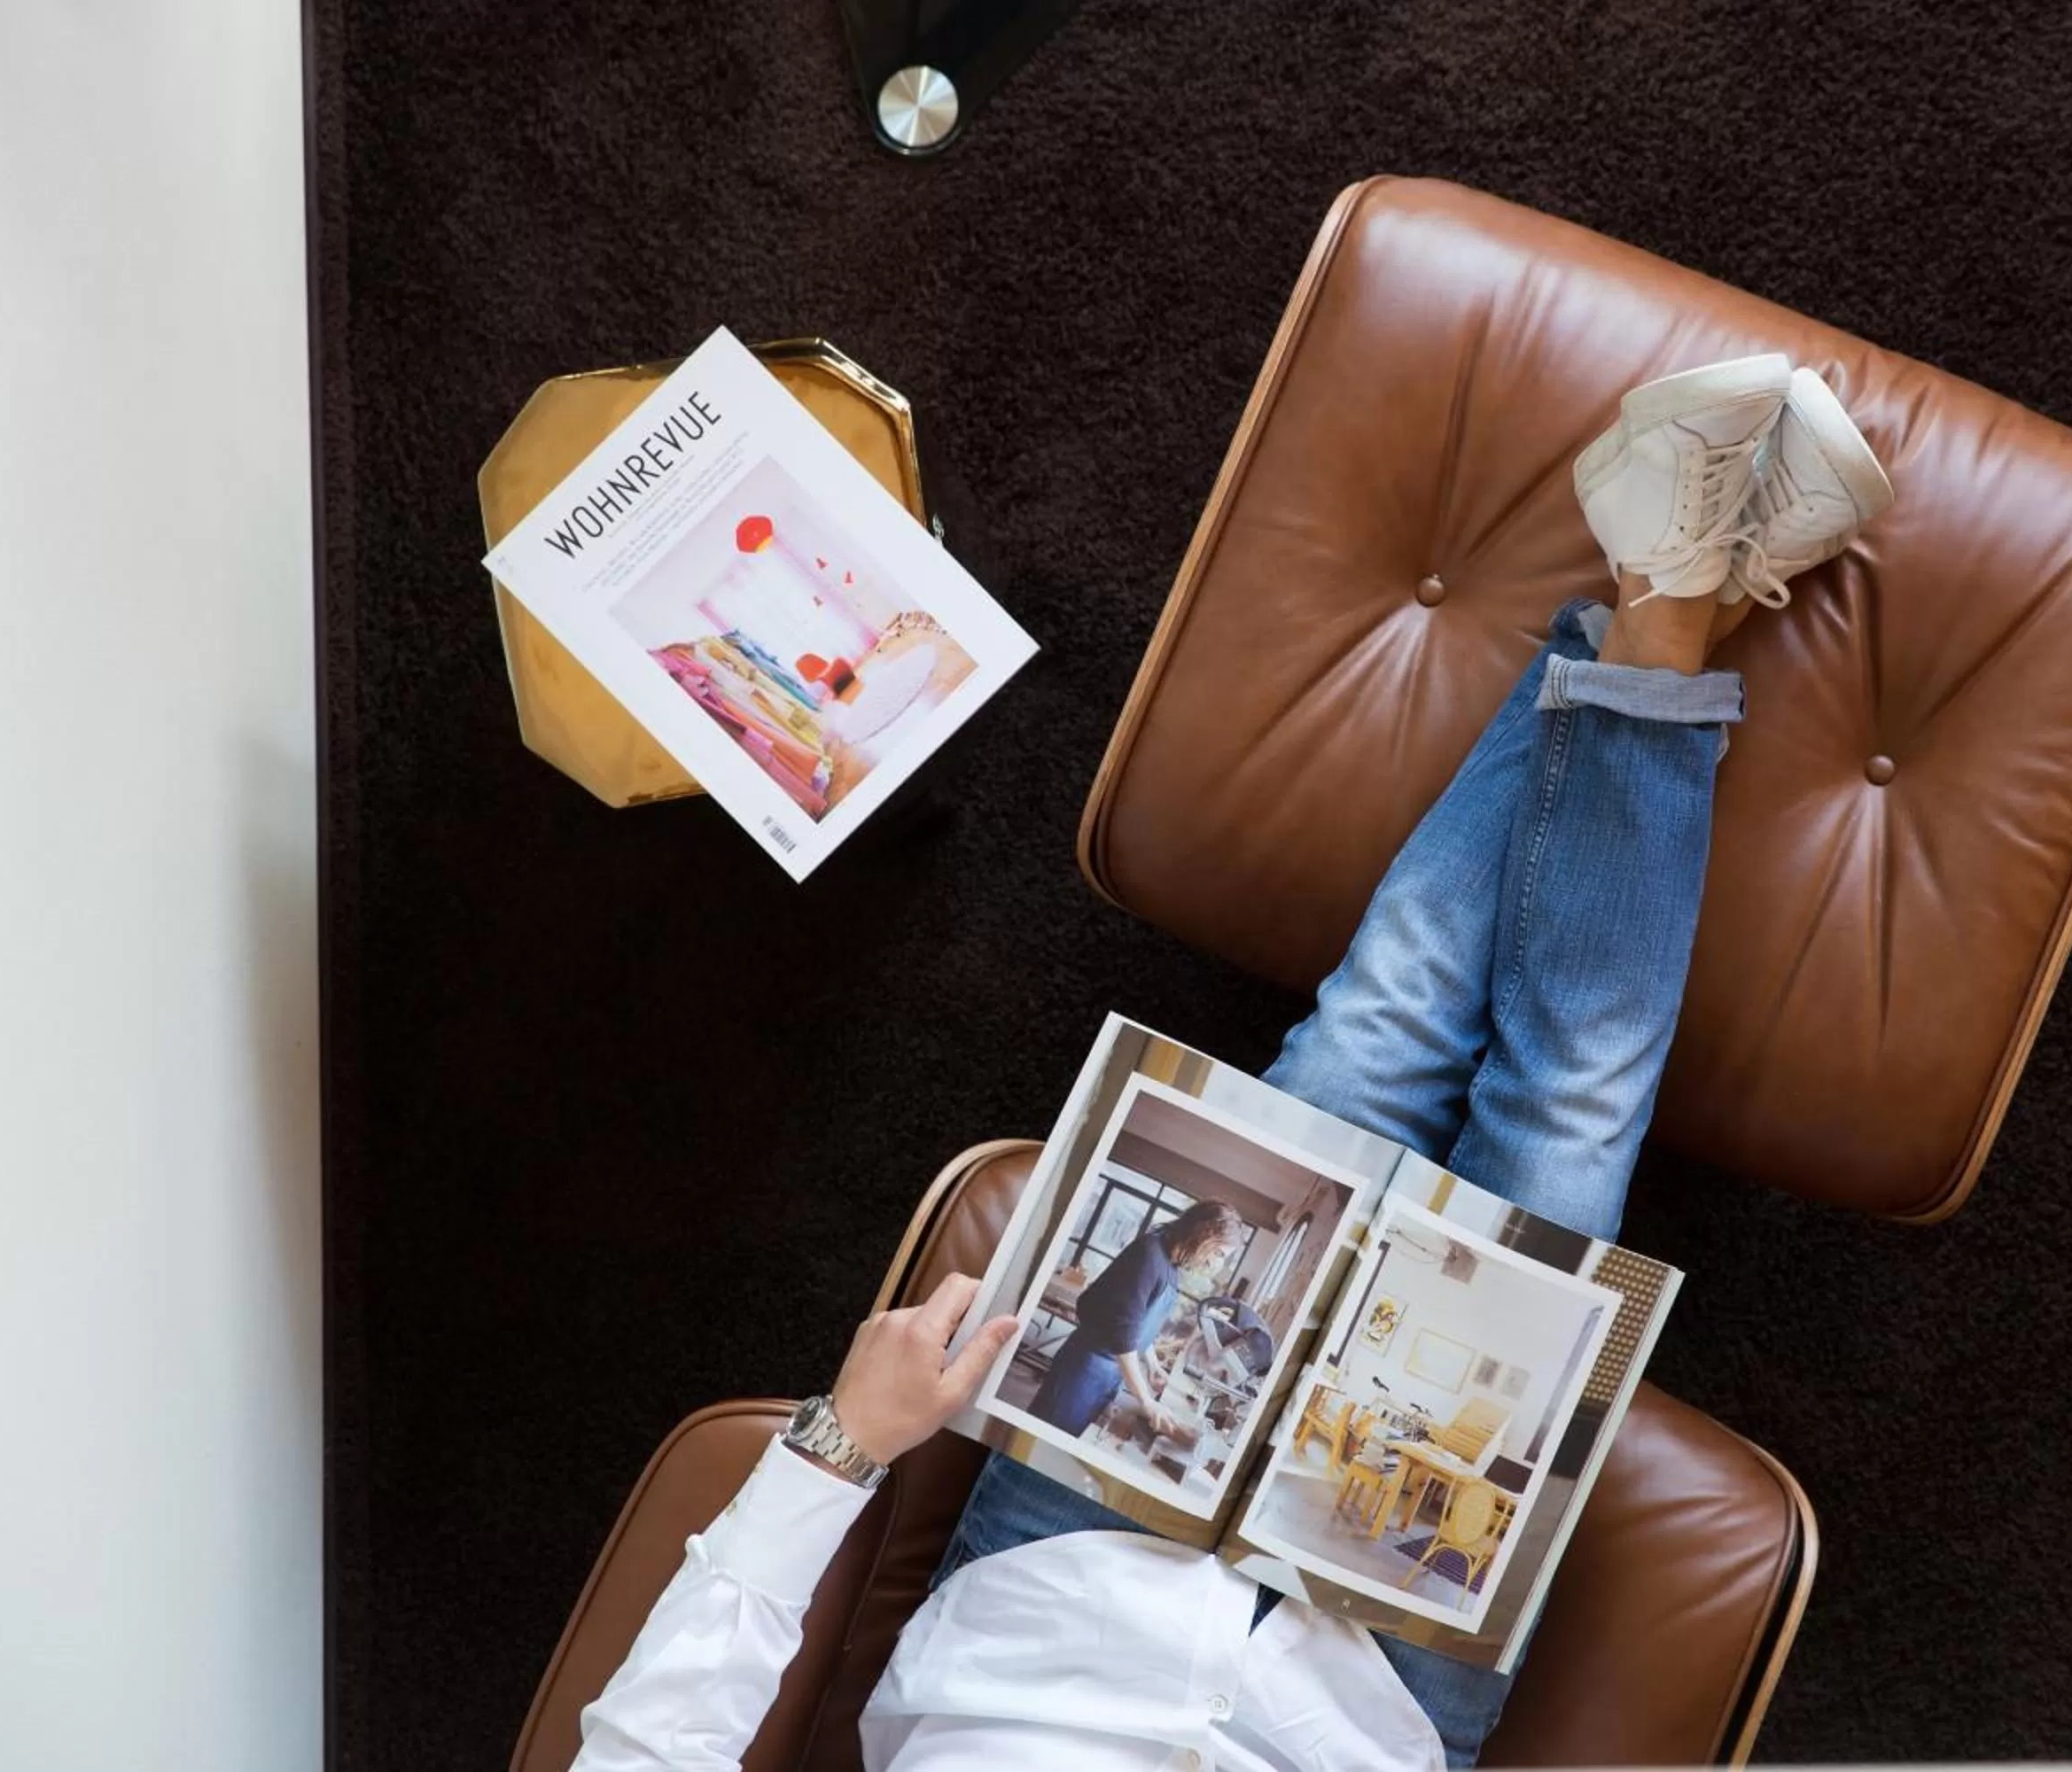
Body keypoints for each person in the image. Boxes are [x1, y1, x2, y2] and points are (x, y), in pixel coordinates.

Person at [569, 354, 1895, 1772]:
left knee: (1379, 1041)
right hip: (1368, 1698)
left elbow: (654, 1743)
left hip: (1065, 1592)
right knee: (1569, 1123)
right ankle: (1661, 590)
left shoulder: (1169, 1276)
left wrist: (841, 1441)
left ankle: (1664, 593)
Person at [1033, 1199, 1244, 1436]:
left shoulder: (1171, 1266)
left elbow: (1139, 1324)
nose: (1215, 1263)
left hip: (1110, 1371)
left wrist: (1153, 1364)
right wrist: (1146, 1400)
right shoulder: (1149, 1254)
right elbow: (1123, 1332)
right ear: (1202, 1235)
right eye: (1217, 1253)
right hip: (1087, 1367)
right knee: (1043, 1435)